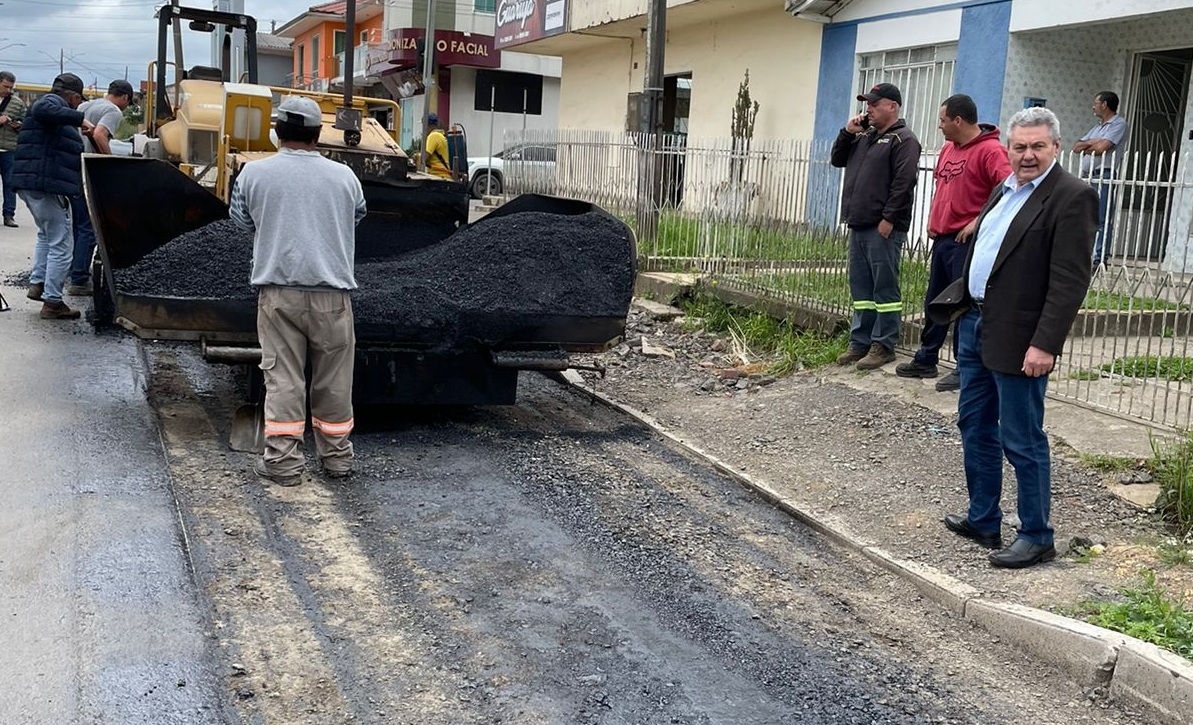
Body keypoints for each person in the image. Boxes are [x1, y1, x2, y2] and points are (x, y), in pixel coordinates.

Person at [931, 107, 1098, 569]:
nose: (1027, 155)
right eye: (1020, 146)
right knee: (974, 425)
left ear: (1056, 147)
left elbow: (1069, 282)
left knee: (1022, 438)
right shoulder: (1005, 190)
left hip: (1022, 338)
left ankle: (1037, 534)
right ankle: (983, 518)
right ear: (1009, 148)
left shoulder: (1072, 196)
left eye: (1037, 146)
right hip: (976, 326)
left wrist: (1045, 344)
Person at [229, 96, 366, 486]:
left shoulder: (254, 175)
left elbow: (241, 220)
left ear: (277, 131)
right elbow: (358, 215)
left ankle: (284, 465)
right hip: (333, 297)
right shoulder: (345, 177)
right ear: (318, 133)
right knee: (335, 380)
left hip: (278, 295)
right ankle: (337, 460)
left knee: (284, 378)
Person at [896, 94, 1010, 393]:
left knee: (961, 304)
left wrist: (977, 222)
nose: (939, 126)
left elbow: (1008, 192)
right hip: (944, 239)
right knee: (937, 301)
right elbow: (943, 188)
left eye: (943, 120)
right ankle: (926, 358)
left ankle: (965, 366)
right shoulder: (948, 149)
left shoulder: (991, 152)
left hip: (967, 242)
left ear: (958, 120)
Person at [830, 82, 921, 370]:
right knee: (862, 288)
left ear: (892, 106)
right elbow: (837, 159)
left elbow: (904, 183)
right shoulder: (865, 137)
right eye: (867, 104)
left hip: (882, 227)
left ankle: (884, 344)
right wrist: (847, 132)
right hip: (858, 224)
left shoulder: (903, 140)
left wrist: (889, 219)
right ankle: (861, 341)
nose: (868, 108)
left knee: (884, 289)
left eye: (874, 103)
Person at [10, 72, 95, 320]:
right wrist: (81, 120)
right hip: (43, 183)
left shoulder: (54, 109)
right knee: (62, 243)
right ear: (73, 96)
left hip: (34, 182)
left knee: (46, 235)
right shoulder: (51, 103)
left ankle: (38, 283)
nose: (78, 106)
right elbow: (45, 110)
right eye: (78, 102)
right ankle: (53, 302)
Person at [67, 79, 135, 296]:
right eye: (128, 102)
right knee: (89, 226)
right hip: (88, 171)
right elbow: (99, 135)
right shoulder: (113, 110)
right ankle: (79, 280)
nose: (126, 106)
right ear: (124, 97)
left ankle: (72, 270)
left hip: (71, 168)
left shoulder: (85, 106)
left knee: (77, 224)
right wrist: (109, 163)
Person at [1072, 91, 1127, 264]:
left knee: (1102, 218)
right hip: (1089, 176)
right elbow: (1076, 147)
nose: (1093, 106)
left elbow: (1103, 148)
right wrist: (1094, 142)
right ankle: (1085, 255)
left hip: (1105, 175)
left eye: (1096, 103)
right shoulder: (1097, 127)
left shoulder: (1118, 124)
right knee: (1086, 216)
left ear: (1104, 105)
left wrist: (1092, 144)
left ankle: (1100, 258)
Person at [0, 70, 27, 228]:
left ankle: (9, 215)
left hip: (10, 148)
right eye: (5, 86)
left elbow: (26, 123)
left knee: (10, 183)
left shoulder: (17, 103)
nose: (8, 90)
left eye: (11, 87)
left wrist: (17, 124)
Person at [424, 112, 453, 180]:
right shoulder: (440, 135)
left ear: (428, 125)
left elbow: (424, 157)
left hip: (438, 176)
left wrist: (416, 158)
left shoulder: (433, 136)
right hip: (443, 176)